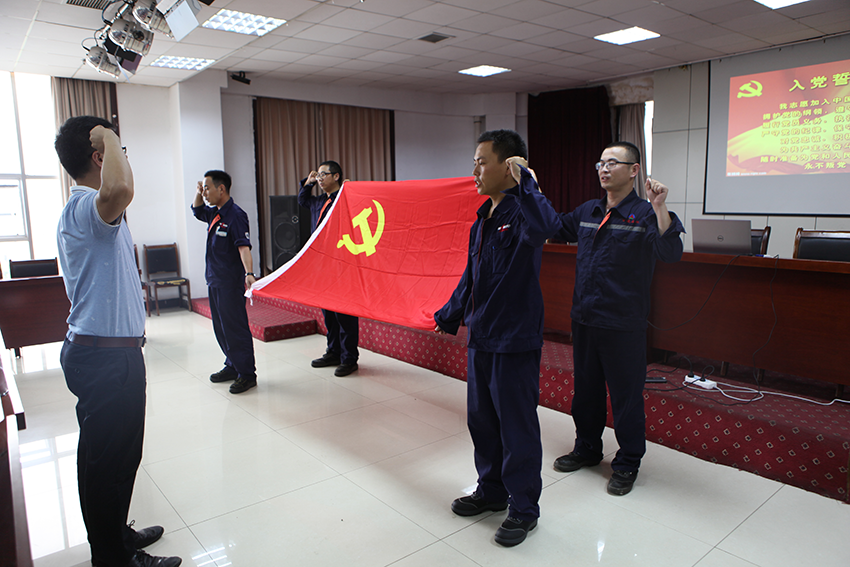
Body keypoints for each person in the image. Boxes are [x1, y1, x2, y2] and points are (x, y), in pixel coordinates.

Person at [55, 116, 181, 567]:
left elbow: (121, 193)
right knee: (110, 465)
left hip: (105, 355)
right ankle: (113, 558)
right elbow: (120, 190)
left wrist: (111, 147)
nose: (125, 161)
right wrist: (109, 138)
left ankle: (112, 538)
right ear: (99, 157)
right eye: (119, 154)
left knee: (105, 462)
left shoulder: (91, 211)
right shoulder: (87, 206)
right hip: (107, 360)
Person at [435, 129, 561, 547]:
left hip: (515, 339)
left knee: (516, 427)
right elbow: (471, 276)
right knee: (482, 422)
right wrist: (451, 313)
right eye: (473, 161)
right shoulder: (482, 218)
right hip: (482, 336)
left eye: (481, 161)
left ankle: (524, 508)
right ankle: (491, 491)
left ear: (508, 166)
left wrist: (529, 182)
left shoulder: (525, 212)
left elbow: (550, 226)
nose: (474, 169)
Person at [552, 141, 684, 496]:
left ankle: (627, 462)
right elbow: (552, 225)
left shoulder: (644, 213)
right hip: (585, 319)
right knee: (586, 391)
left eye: (613, 162)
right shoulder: (588, 210)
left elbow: (670, 253)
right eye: (601, 163)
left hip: (622, 322)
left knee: (625, 396)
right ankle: (588, 449)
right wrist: (528, 189)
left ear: (634, 170)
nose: (604, 169)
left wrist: (660, 207)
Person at [192, 170, 258, 394]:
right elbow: (197, 209)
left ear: (222, 189)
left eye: (208, 188)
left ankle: (247, 374)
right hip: (214, 281)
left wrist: (249, 273)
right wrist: (198, 191)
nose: (206, 192)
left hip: (230, 283)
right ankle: (232, 365)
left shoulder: (236, 215)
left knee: (235, 328)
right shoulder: (215, 214)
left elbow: (243, 247)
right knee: (221, 328)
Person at [298, 160, 359, 377]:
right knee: (328, 313)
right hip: (323, 267)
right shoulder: (318, 202)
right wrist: (309, 182)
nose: (321, 178)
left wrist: (349, 190)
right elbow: (302, 199)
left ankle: (349, 358)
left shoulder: (344, 198)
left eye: (324, 174)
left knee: (345, 315)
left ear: (336, 176)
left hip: (342, 265)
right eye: (319, 175)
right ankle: (333, 351)